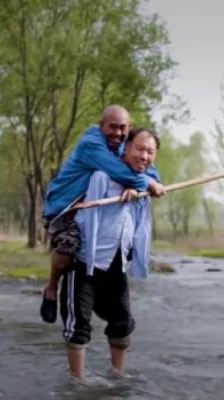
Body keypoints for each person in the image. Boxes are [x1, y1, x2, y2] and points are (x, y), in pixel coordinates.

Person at [40, 105, 164, 324]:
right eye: (112, 127)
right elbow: (119, 171)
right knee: (69, 245)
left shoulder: (121, 146)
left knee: (111, 252)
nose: (117, 132)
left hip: (89, 210)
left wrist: (142, 185)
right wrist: (146, 183)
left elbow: (145, 169)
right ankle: (51, 287)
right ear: (101, 126)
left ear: (129, 128)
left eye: (122, 128)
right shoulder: (92, 145)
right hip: (65, 209)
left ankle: (100, 306)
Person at [60, 128, 160, 379]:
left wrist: (140, 187)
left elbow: (152, 179)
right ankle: (77, 385)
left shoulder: (147, 181)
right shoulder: (100, 175)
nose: (144, 156)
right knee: (79, 327)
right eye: (139, 149)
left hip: (117, 264)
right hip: (84, 261)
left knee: (122, 323)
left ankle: (117, 378)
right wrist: (132, 182)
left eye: (150, 152)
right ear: (125, 148)